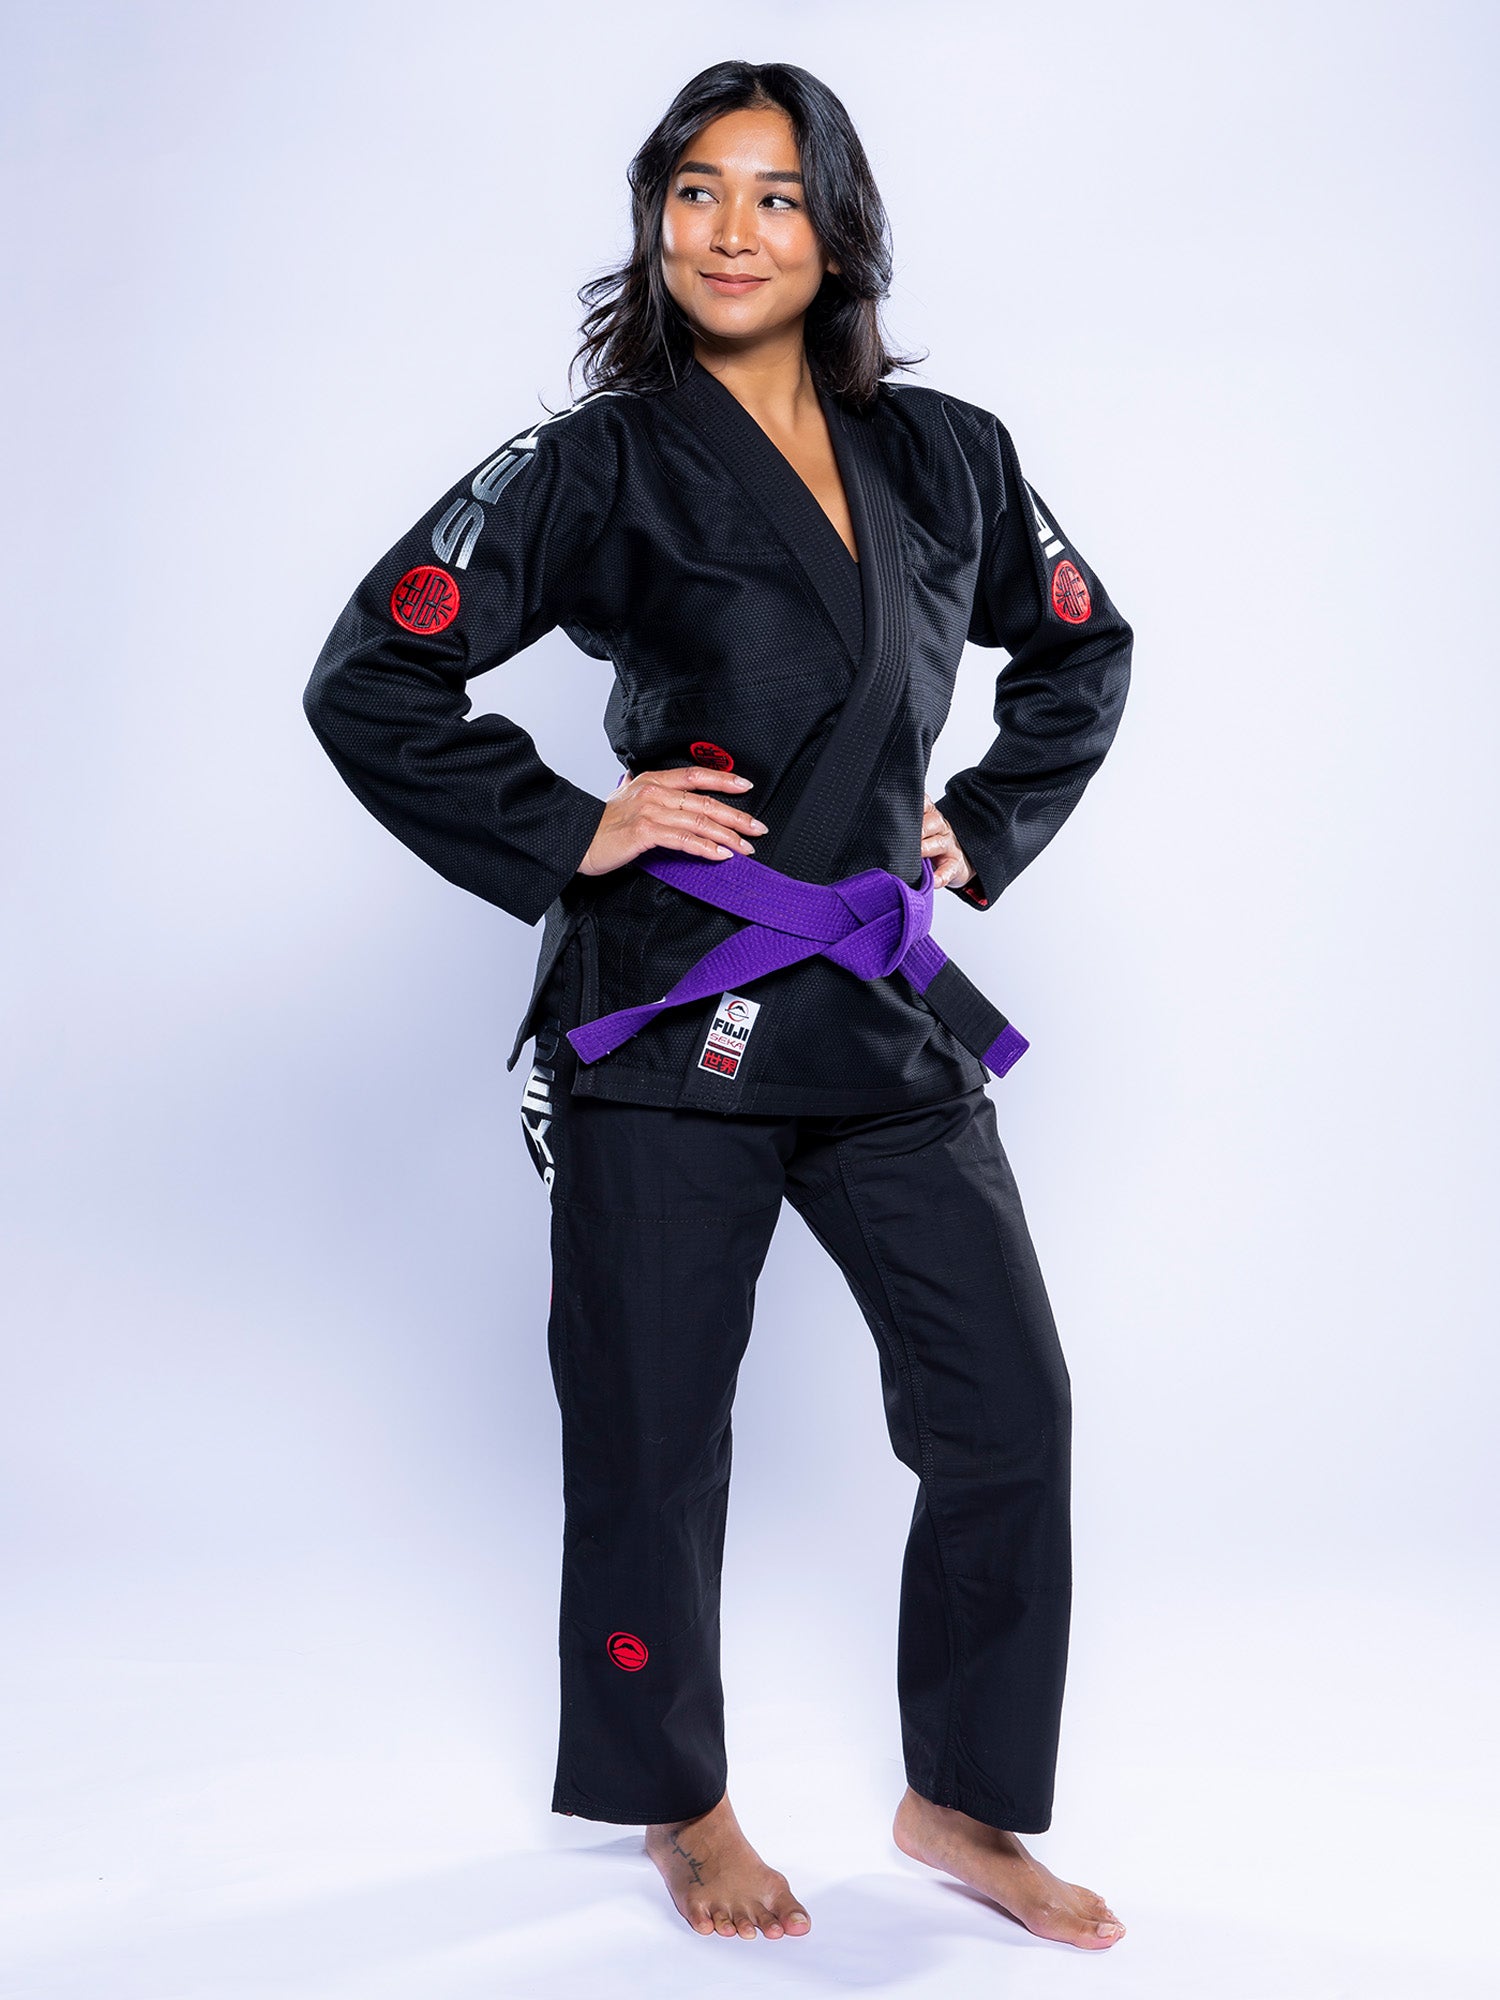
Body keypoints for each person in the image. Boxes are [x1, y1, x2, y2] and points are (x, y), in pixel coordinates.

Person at [303, 59, 1132, 1951]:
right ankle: (678, 1799)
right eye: (694, 191)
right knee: (654, 1436)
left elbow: (1082, 648)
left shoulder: (953, 454)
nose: (730, 230)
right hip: (669, 1016)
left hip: (882, 1010)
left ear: (839, 227)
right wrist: (570, 826)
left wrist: (990, 821)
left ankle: (964, 1800)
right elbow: (372, 676)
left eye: (773, 194)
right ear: (654, 219)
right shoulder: (590, 463)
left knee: (1007, 1411)